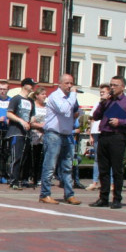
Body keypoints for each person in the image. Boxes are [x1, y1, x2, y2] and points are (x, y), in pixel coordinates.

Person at [89, 76, 126, 209]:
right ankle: (103, 197)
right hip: (104, 136)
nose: (112, 87)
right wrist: (102, 102)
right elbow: (95, 116)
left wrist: (121, 122)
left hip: (118, 137)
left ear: (123, 87)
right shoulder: (107, 101)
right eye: (111, 85)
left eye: (115, 85)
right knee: (103, 169)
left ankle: (117, 198)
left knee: (117, 170)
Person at [38, 74, 82, 206]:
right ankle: (45, 194)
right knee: (50, 166)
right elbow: (64, 109)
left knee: (68, 166)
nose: (70, 86)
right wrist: (73, 95)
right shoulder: (54, 96)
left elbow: (74, 112)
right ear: (60, 84)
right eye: (67, 83)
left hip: (67, 134)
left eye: (71, 83)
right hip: (54, 134)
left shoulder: (70, 98)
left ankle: (69, 194)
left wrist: (76, 113)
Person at [5, 78, 36, 190]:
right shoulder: (16, 99)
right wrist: (21, 121)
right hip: (16, 132)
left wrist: (32, 122)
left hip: (26, 133)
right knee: (16, 157)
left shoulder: (31, 101)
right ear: (24, 85)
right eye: (31, 84)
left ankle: (19, 179)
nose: (33, 86)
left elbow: (32, 115)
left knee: (23, 158)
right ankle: (13, 180)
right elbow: (9, 114)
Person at [27, 88, 48, 188]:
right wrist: (40, 126)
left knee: (42, 158)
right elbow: (31, 121)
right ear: (37, 95)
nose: (45, 96)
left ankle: (39, 177)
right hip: (34, 134)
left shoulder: (47, 107)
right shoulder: (33, 106)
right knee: (33, 156)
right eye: (43, 94)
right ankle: (32, 176)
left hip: (44, 135)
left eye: (45, 94)